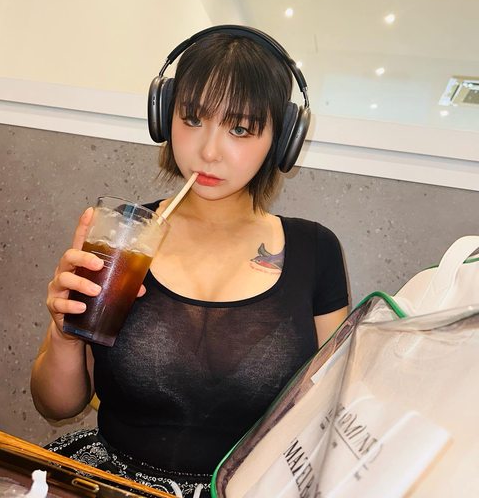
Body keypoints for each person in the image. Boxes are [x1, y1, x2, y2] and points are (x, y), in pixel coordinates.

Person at [30, 26, 349, 498]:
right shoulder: (122, 234)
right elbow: (56, 407)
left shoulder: (315, 251)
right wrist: (63, 334)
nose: (209, 151)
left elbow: (331, 411)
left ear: (281, 139)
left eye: (240, 128)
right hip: (107, 485)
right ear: (165, 115)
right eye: (193, 118)